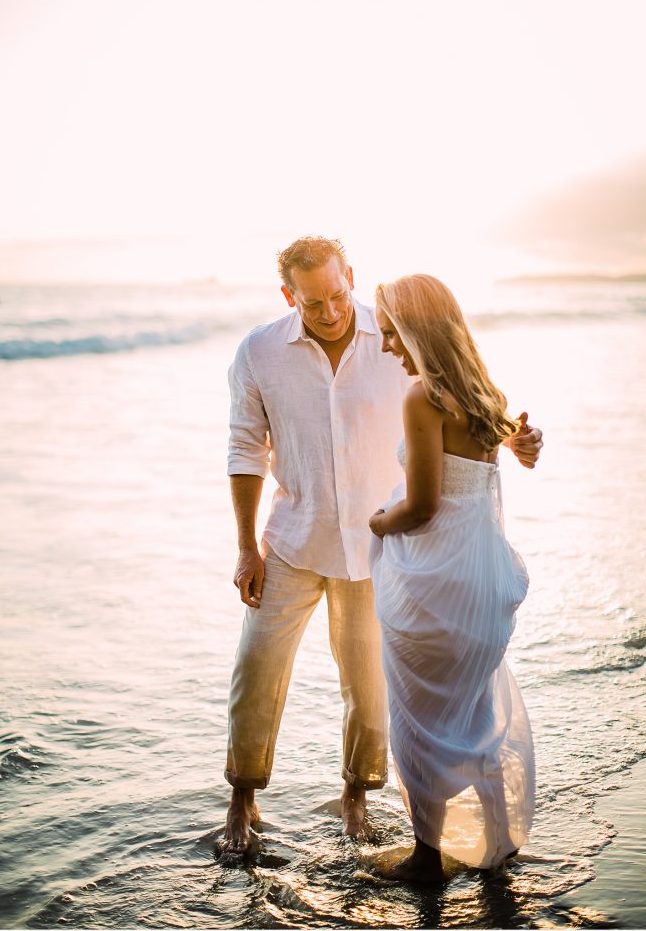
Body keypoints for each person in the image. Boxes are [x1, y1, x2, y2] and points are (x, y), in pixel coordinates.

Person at [221, 237, 542, 854]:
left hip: (380, 549)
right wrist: (244, 548)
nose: (330, 311)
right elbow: (244, 451)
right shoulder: (260, 352)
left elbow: (464, 399)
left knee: (368, 684)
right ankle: (242, 799)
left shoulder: (396, 339)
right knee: (255, 666)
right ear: (290, 296)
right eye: (312, 302)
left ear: (351, 278)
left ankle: (356, 798)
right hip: (291, 539)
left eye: (338, 295)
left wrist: (514, 442)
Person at [368, 274, 536, 883]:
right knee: (474, 712)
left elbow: (422, 508)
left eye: (391, 331)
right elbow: (502, 455)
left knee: (420, 719)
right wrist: (527, 442)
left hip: (435, 585)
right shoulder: (486, 394)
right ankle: (499, 841)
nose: (386, 344)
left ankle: (427, 858)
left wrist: (377, 521)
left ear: (416, 330)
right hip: (483, 579)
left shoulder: (423, 397)